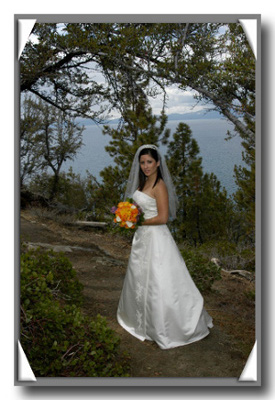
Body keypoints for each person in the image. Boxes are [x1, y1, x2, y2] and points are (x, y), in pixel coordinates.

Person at [117, 144, 213, 350]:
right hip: (142, 239)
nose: (145, 166)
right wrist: (129, 216)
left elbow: (163, 217)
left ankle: (166, 326)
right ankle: (140, 321)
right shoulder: (142, 185)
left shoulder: (159, 185)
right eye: (142, 162)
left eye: (149, 162)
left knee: (159, 282)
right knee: (140, 278)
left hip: (156, 239)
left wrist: (137, 222)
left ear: (158, 163)